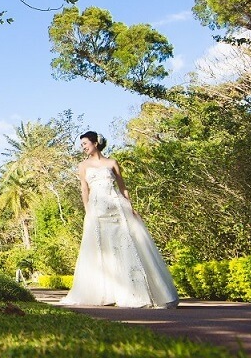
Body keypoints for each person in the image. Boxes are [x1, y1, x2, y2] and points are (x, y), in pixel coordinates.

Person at [60, 131, 179, 308]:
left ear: (95, 143)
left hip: (117, 207)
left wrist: (131, 208)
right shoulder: (82, 166)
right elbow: (84, 190)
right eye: (82, 145)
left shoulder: (112, 163)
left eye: (85, 143)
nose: (83, 147)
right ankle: (105, 293)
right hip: (97, 210)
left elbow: (123, 188)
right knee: (101, 249)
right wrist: (88, 211)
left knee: (126, 247)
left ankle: (134, 292)